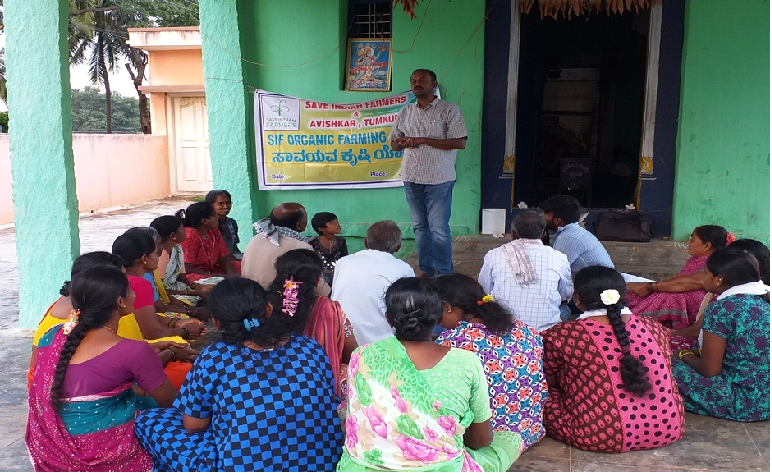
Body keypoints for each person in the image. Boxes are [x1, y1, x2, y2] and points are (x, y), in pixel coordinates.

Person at [134, 277, 344, 471]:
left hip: (243, 465)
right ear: (269, 309)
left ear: (216, 322)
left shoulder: (215, 356)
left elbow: (193, 425)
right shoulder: (309, 346)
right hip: (322, 461)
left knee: (150, 421)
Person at [337, 277, 522, 471]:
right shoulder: (466, 362)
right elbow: (481, 440)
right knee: (509, 440)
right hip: (442, 467)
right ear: (439, 316)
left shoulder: (362, 355)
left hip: (365, 467)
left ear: (388, 318)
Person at [26, 265, 177, 471]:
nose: (134, 295)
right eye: (130, 290)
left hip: (50, 451)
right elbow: (171, 402)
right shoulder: (134, 351)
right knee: (178, 419)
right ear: (120, 302)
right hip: (106, 454)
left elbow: (87, 387)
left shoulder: (50, 336)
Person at [541, 266, 685, 452]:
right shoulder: (654, 327)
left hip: (599, 433)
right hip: (669, 427)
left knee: (538, 394)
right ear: (622, 296)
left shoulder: (564, 334)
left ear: (577, 299)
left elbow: (547, 381)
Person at [28, 251, 194, 388]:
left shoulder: (66, 309)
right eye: (123, 283)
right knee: (191, 376)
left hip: (49, 393)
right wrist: (170, 353)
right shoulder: (107, 314)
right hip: (88, 396)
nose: (131, 289)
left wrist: (154, 346)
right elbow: (129, 365)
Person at [434, 273, 547, 451]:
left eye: (435, 311)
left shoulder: (451, 343)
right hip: (528, 432)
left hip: (488, 440)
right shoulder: (523, 329)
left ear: (446, 307)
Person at [671, 248, 770, 422]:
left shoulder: (722, 309)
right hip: (767, 400)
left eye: (705, 273)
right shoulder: (765, 298)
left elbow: (709, 370)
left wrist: (682, 355)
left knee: (657, 364)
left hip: (742, 403)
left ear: (719, 279)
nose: (703, 278)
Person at [389, 69, 468, 277]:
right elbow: (394, 146)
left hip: (438, 179)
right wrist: (400, 143)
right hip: (411, 178)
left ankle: (444, 272)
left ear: (434, 84)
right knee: (419, 228)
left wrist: (422, 140)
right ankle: (425, 269)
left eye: (422, 81)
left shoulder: (449, 110)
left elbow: (459, 142)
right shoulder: (405, 112)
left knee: (438, 229)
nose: (417, 84)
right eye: (413, 81)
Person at [265, 249, 358, 397]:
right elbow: (351, 353)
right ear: (316, 281)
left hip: (271, 388)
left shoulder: (265, 307)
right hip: (320, 390)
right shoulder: (331, 310)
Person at [626, 225, 732, 351]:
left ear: (707, 246)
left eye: (692, 240)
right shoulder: (697, 259)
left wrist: (651, 286)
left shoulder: (714, 263)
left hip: (701, 308)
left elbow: (697, 281)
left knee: (670, 296)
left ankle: (631, 323)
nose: (688, 243)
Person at [478, 210, 573, 331]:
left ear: (512, 233)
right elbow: (566, 294)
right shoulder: (559, 257)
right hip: (544, 331)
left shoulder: (494, 255)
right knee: (566, 309)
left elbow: (484, 290)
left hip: (505, 328)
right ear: (544, 233)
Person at [331, 220, 415, 345]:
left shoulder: (344, 262)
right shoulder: (403, 269)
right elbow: (409, 310)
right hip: (381, 345)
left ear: (365, 242)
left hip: (339, 339)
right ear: (398, 247)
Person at [241, 202, 330, 296]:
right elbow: (317, 284)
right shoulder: (300, 247)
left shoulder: (256, 238)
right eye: (305, 217)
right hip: (277, 301)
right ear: (298, 225)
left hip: (248, 296)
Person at [541, 195, 614, 274]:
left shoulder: (569, 237)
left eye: (546, 214)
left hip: (600, 283)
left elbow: (555, 270)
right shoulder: (568, 232)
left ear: (558, 220)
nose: (541, 215)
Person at [150, 215, 214, 299]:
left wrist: (197, 287)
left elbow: (182, 278)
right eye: (182, 229)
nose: (185, 232)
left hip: (177, 289)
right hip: (166, 295)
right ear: (173, 235)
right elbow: (159, 291)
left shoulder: (177, 248)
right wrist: (193, 293)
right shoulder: (161, 255)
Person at [176, 201, 239, 283]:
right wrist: (220, 276)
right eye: (214, 215)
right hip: (193, 274)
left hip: (210, 271)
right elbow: (187, 268)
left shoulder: (214, 232)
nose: (217, 217)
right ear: (204, 221)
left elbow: (223, 257)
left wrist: (232, 275)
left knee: (243, 267)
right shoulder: (190, 235)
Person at [308, 211, 348, 288]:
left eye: (337, 222)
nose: (338, 225)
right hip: (319, 281)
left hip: (338, 278)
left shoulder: (341, 241)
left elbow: (344, 260)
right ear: (321, 228)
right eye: (332, 223)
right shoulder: (312, 242)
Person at [205, 189, 243, 259]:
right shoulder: (207, 225)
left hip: (233, 257)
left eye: (228, 203)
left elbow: (234, 247)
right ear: (210, 205)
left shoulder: (232, 223)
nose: (226, 206)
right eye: (220, 204)